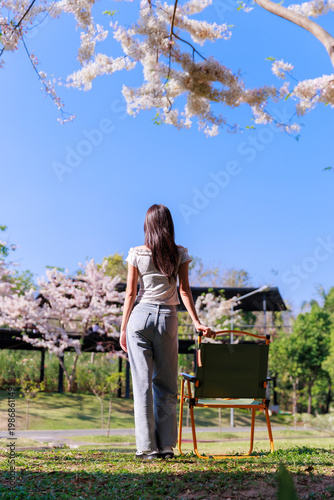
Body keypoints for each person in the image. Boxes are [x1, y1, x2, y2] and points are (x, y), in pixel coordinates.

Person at [120, 204, 212, 460]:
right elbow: (184, 291)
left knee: (142, 385)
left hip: (139, 318)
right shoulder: (179, 253)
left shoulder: (136, 253)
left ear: (147, 225)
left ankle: (146, 449)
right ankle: (166, 447)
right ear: (169, 224)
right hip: (168, 318)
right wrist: (196, 322)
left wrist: (123, 328)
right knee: (167, 384)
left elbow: (129, 293)